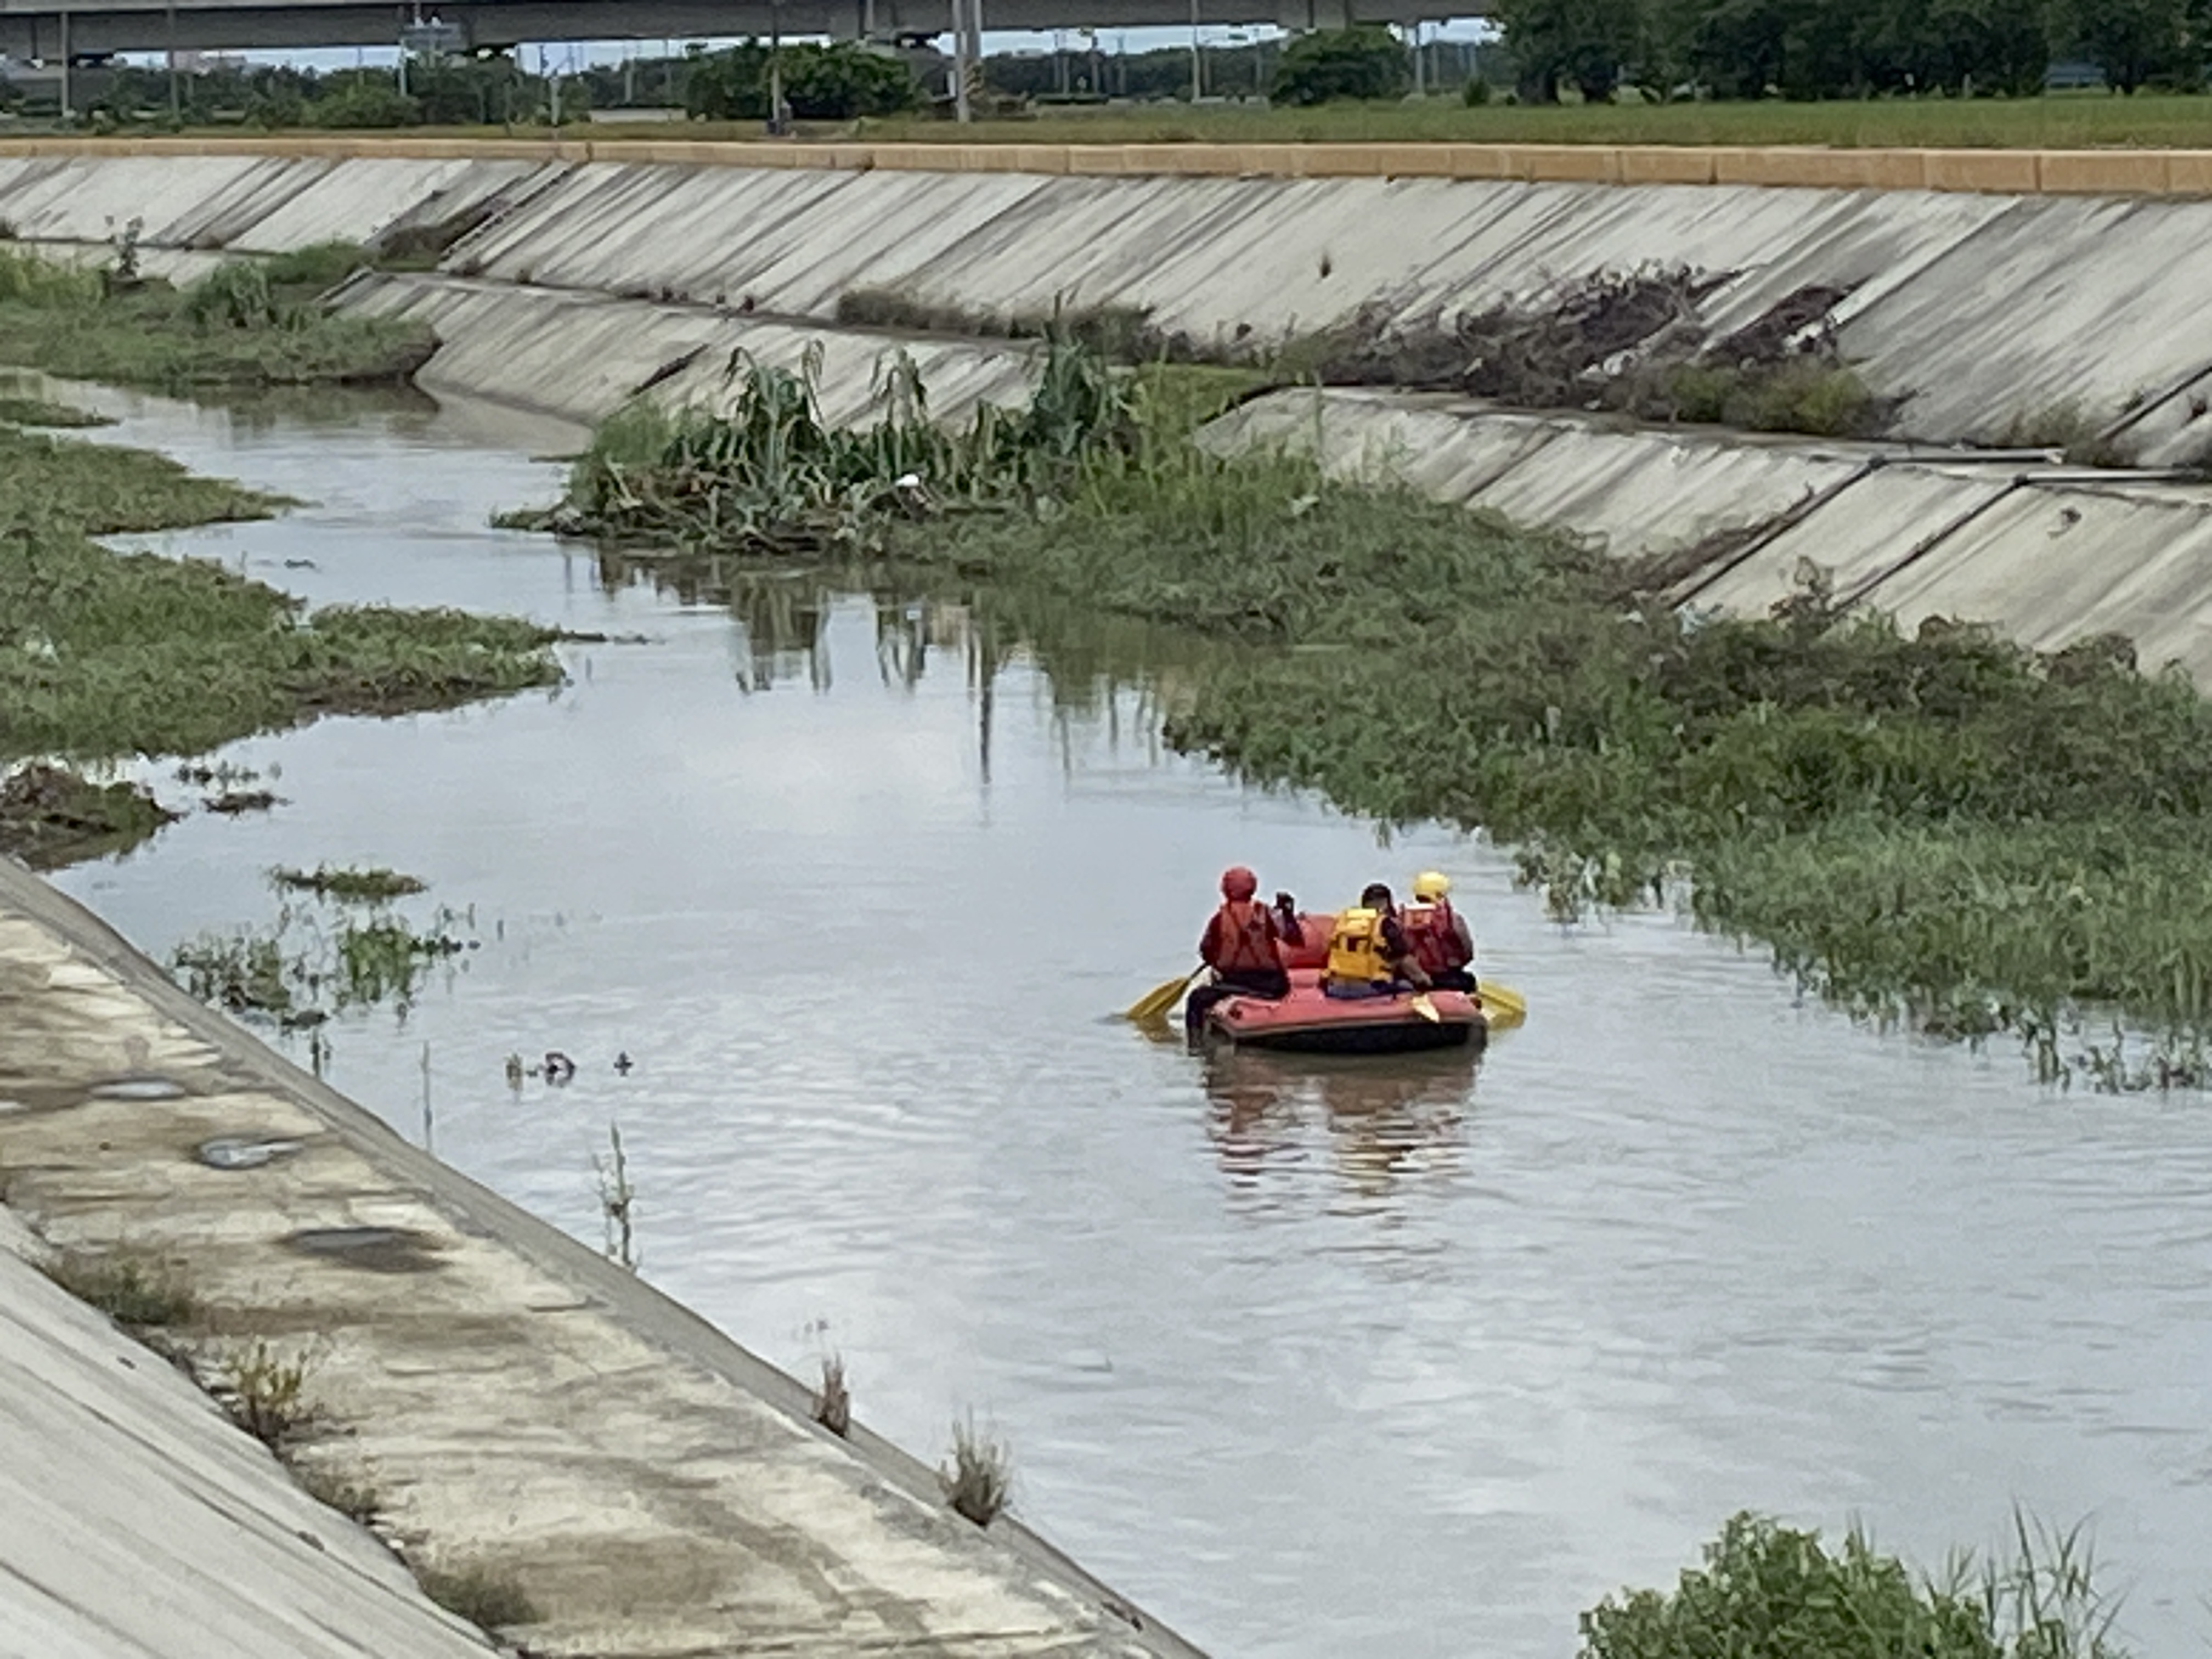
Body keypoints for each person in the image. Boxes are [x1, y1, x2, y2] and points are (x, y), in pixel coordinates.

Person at [1186, 866, 1299, 1039]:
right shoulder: (1268, 914)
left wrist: (1221, 960)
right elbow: (1293, 939)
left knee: (1196, 999)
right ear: (1253, 888)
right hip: (1273, 986)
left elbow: (1206, 952)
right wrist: (1288, 914)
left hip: (1236, 983)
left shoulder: (1219, 920)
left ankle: (1195, 1044)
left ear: (1225, 890)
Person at [1322, 882, 1430, 998]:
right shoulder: (1384, 923)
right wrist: (1424, 980)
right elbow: (1404, 959)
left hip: (1335, 988)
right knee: (1407, 986)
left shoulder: (1343, 920)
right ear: (1385, 903)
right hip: (1368, 987)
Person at [1402, 870, 1477, 993]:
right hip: (1445, 979)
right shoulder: (1453, 919)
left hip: (1412, 979)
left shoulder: (1403, 917)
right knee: (1469, 980)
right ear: (1439, 895)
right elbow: (1467, 954)